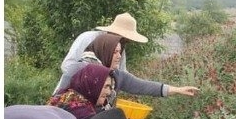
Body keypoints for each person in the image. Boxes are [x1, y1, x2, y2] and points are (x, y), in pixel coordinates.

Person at [48, 64, 176, 119]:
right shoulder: (77, 108)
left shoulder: (69, 96)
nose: (109, 92)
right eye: (106, 87)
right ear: (93, 84)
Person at [52, 33, 199, 103]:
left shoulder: (116, 75)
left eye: (120, 52)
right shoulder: (79, 69)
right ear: (105, 50)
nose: (118, 57)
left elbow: (142, 86)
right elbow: (56, 100)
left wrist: (177, 90)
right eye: (114, 52)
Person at [53, 12, 147, 94]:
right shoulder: (87, 38)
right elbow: (67, 65)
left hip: (97, 103)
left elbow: (122, 75)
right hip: (69, 97)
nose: (124, 42)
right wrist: (94, 78)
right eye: (124, 38)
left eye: (127, 41)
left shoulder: (120, 49)